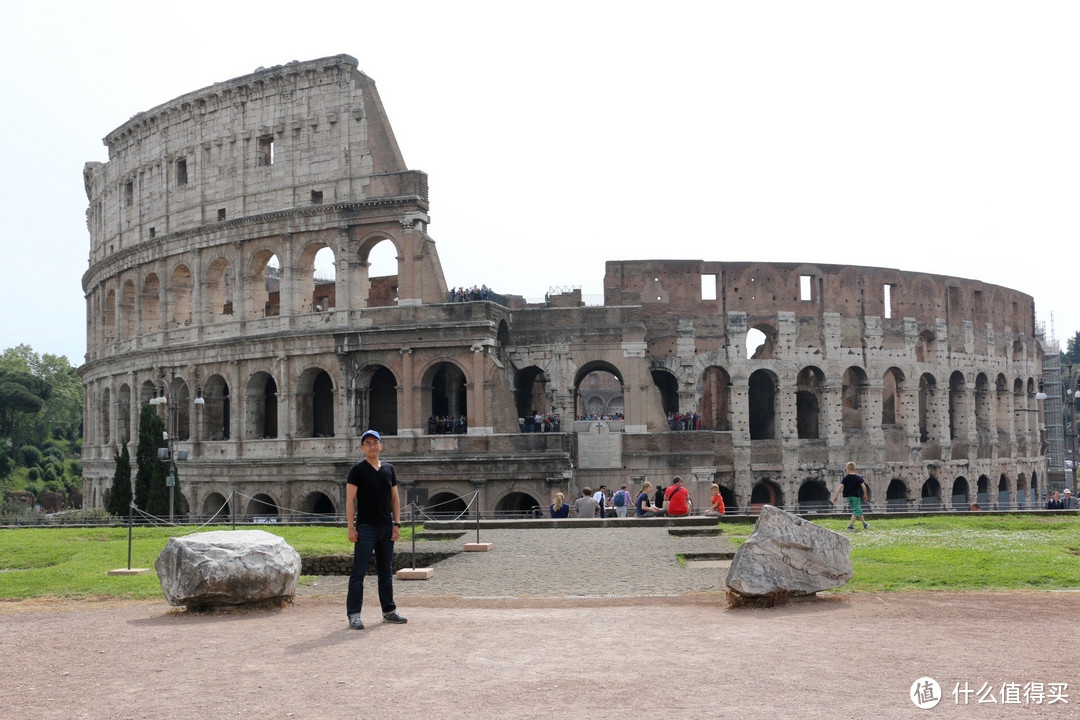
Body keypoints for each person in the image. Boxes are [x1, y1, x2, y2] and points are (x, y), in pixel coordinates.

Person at [345, 430, 407, 629]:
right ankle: (354, 614)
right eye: (367, 443)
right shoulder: (357, 470)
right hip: (365, 527)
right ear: (362, 448)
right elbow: (350, 500)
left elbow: (395, 498)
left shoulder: (389, 469)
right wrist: (351, 527)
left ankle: (389, 611)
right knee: (358, 573)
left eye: (375, 442)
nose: (372, 446)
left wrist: (397, 523)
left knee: (386, 572)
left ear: (381, 445)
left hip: (386, 526)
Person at [832, 461, 869, 531]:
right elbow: (863, 486)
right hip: (856, 496)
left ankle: (865, 524)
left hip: (849, 497)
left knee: (858, 510)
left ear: (848, 469)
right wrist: (865, 494)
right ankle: (850, 526)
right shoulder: (858, 478)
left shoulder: (845, 478)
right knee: (856, 511)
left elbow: (840, 487)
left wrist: (836, 496)